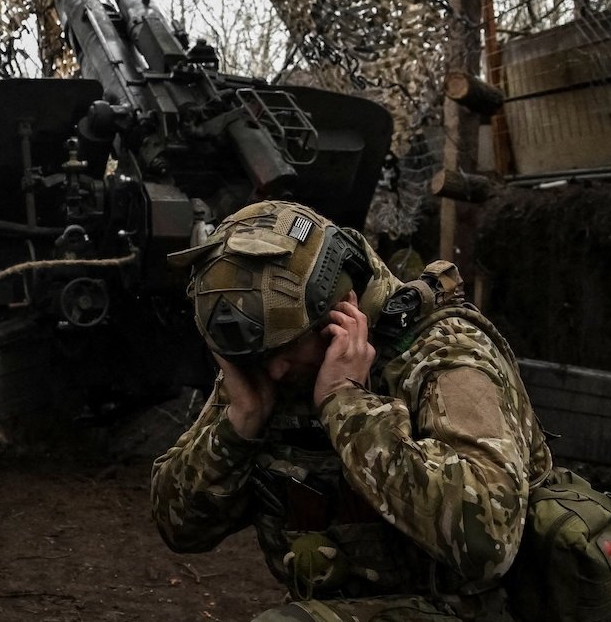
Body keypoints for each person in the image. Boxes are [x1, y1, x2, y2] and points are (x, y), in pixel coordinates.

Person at [150, 200, 555, 622]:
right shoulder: (272, 355)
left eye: (287, 352)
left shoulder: (444, 355)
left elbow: (487, 540)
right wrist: (241, 422)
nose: (275, 369)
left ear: (342, 313)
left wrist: (347, 403)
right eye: (259, 357)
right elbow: (179, 528)